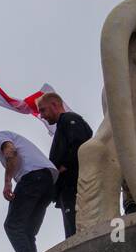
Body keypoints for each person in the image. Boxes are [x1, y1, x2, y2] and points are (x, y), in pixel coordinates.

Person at [37, 91, 95, 237]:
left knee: (78, 231)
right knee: (74, 232)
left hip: (76, 185)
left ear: (54, 105)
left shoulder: (69, 119)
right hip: (70, 187)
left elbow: (81, 143)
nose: (41, 116)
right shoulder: (63, 125)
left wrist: (64, 166)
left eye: (42, 110)